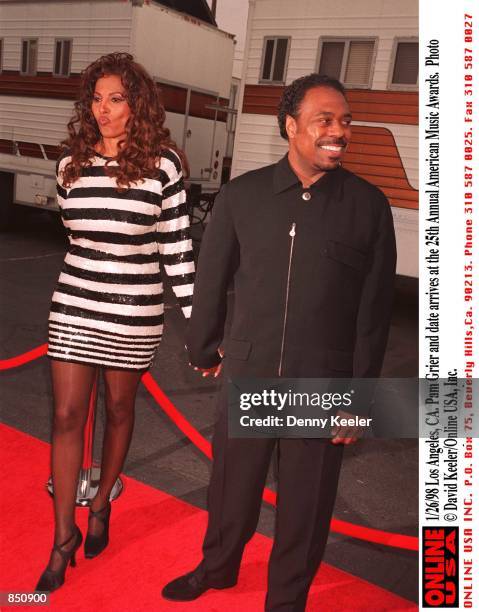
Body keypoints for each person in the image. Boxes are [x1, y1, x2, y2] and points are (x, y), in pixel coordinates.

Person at [161, 74, 396, 611]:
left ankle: (287, 599)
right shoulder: (242, 197)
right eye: (326, 120)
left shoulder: (369, 208)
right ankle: (218, 568)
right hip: (250, 372)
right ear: (291, 127)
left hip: (322, 384)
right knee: (231, 491)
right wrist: (205, 348)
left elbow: (373, 316)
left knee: (305, 508)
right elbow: (211, 280)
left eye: (346, 121)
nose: (339, 131)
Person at [36, 52, 194, 592]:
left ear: (138, 104)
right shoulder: (69, 166)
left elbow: (176, 250)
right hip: (75, 302)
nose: (103, 110)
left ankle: (101, 501)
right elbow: (76, 238)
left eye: (116, 99)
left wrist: (203, 326)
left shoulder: (165, 165)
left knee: (119, 407)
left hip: (134, 310)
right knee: (65, 416)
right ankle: (63, 537)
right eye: (97, 99)